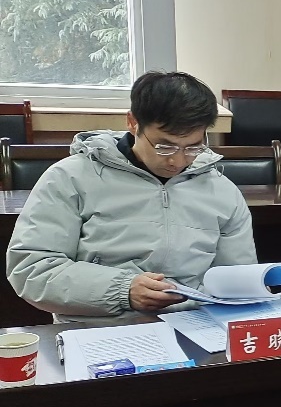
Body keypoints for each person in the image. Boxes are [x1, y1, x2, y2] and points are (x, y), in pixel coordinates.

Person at [6, 71, 256, 321]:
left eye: (193, 147)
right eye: (165, 146)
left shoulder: (222, 191)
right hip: (99, 328)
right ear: (133, 122)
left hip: (195, 325)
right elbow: (31, 269)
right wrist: (122, 290)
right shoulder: (70, 177)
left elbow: (237, 278)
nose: (177, 161)